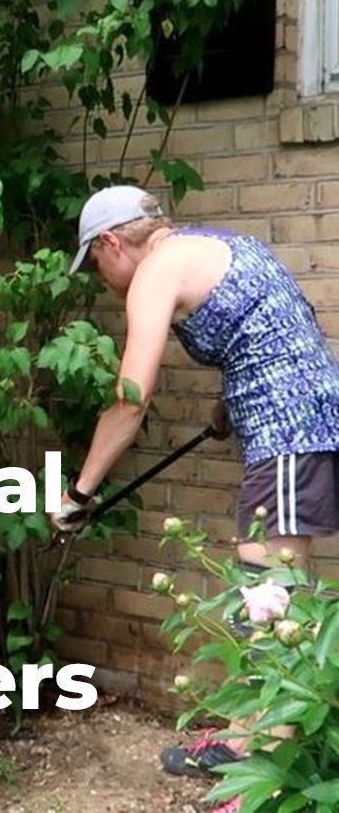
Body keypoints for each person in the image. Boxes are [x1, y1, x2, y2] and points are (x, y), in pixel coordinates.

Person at [50, 185, 339, 813]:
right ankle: (245, 743)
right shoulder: (214, 245)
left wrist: (80, 491)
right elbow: (267, 332)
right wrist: (226, 409)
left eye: (96, 267)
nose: (103, 281)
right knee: (262, 594)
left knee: (271, 601)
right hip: (293, 422)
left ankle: (271, 778)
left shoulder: (155, 272)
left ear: (110, 243)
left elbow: (130, 400)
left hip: (292, 431)